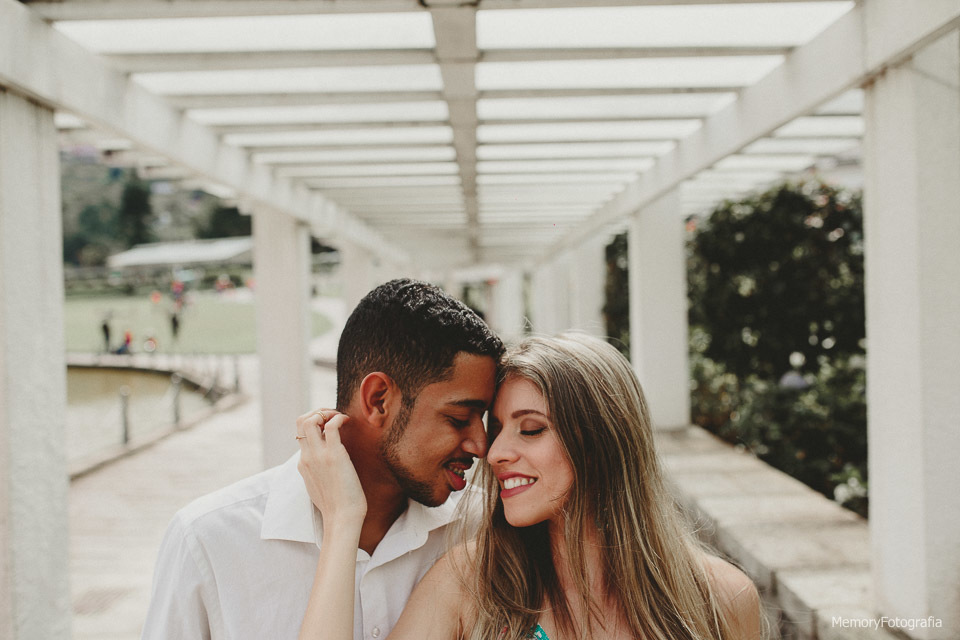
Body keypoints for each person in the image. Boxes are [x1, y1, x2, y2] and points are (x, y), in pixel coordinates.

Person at [298, 333, 766, 640]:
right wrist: (343, 520)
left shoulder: (721, 599)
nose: (495, 452)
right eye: (499, 428)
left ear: (601, 442)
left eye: (531, 428)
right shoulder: (470, 584)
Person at [142, 279, 504, 640]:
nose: (481, 445)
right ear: (378, 400)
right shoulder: (208, 540)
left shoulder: (484, 530)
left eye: (484, 419)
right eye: (459, 418)